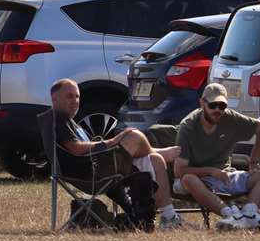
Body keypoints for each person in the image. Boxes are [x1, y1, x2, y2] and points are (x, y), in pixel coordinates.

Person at [49, 79, 185, 231]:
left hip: (98, 168)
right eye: (69, 96)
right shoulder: (58, 119)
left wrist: (108, 144)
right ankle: (156, 151)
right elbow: (76, 149)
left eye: (77, 96)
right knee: (133, 135)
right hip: (92, 174)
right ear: (55, 99)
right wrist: (110, 143)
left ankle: (169, 217)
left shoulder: (67, 121)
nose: (75, 101)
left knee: (155, 160)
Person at [173, 82, 260, 230]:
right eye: (213, 105)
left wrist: (254, 161)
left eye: (222, 106)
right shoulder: (188, 126)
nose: (217, 110)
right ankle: (230, 216)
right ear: (202, 103)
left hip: (225, 176)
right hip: (197, 179)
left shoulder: (230, 118)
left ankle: (249, 215)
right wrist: (211, 171)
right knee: (188, 179)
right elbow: (179, 171)